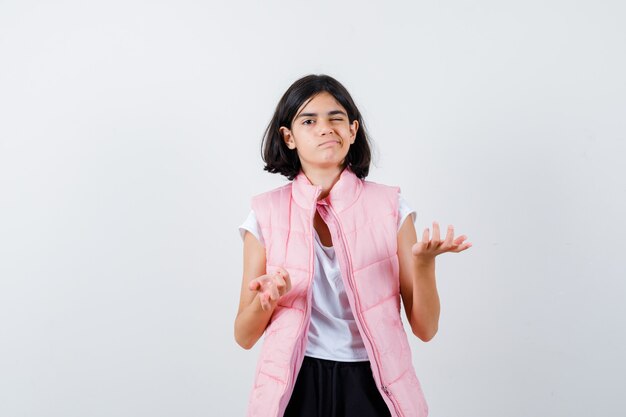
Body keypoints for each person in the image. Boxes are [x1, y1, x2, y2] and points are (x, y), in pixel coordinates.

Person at [234, 74, 471, 417]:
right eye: (309, 120)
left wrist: (424, 265)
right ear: (288, 137)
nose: (325, 128)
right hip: (296, 382)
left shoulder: (391, 207)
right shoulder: (264, 214)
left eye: (336, 118)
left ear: (353, 131)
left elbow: (425, 329)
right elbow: (244, 335)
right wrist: (267, 299)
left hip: (373, 382)